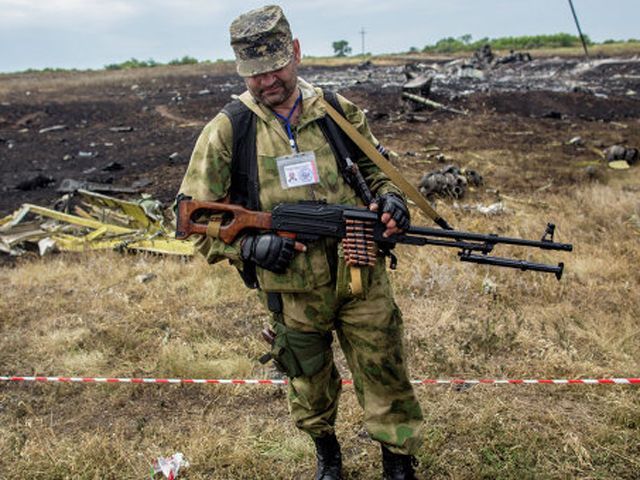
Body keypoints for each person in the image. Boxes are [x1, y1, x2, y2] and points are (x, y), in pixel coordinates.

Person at [178, 5, 423, 479]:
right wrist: (248, 249)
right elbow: (192, 218)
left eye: (275, 68)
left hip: (361, 269)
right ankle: (327, 455)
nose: (267, 82)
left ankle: (397, 461)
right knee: (309, 381)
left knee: (383, 367)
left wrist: (394, 203)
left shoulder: (337, 109)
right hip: (291, 288)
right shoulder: (229, 129)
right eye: (254, 74)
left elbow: (379, 171)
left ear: (295, 52)